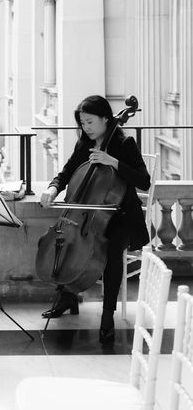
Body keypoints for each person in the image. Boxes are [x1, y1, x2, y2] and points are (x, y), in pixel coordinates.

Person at [39, 95, 150, 343]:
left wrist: (113, 162)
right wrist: (53, 188)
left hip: (121, 217)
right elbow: (67, 171)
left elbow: (144, 181)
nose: (86, 128)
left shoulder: (125, 143)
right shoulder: (85, 144)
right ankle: (67, 296)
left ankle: (107, 314)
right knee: (61, 241)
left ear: (105, 119)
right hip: (89, 217)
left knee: (110, 252)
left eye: (89, 122)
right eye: (82, 123)